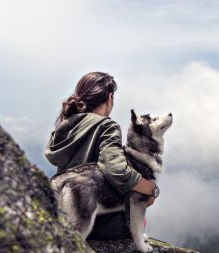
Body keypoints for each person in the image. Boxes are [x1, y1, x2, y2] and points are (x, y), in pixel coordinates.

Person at [44, 71, 156, 239]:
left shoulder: (65, 126)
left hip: (66, 217)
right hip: (98, 224)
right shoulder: (107, 126)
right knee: (138, 214)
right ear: (110, 97)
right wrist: (151, 189)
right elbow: (116, 169)